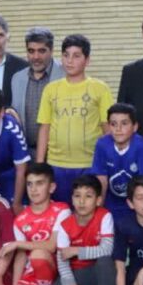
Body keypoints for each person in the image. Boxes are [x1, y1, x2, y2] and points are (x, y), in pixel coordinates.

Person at [35, 34, 114, 203]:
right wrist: (40, 165)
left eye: (76, 56)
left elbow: (107, 128)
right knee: (61, 212)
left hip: (89, 164)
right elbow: (45, 127)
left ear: (87, 60)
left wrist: (109, 162)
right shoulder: (51, 89)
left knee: (88, 210)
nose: (70, 61)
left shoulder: (100, 89)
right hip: (56, 164)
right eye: (66, 55)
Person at [45, 174, 117, 285]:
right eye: (77, 196)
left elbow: (107, 249)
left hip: (99, 271)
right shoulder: (65, 225)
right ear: (72, 199)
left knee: (105, 261)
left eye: (88, 196)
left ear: (98, 200)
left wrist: (77, 251)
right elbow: (63, 263)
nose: (82, 201)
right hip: (77, 274)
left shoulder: (105, 216)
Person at [2, 162, 70, 285]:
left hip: (60, 270)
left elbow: (51, 246)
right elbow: (20, 258)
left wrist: (18, 244)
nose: (33, 189)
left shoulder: (62, 210)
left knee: (38, 255)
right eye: (30, 184)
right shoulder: (20, 220)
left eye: (39, 183)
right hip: (34, 272)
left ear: (51, 187)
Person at [90, 103, 143, 222]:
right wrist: (99, 212)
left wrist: (142, 213)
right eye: (113, 124)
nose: (118, 129)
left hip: (135, 206)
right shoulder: (102, 144)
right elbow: (102, 180)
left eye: (124, 123)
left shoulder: (142, 146)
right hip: (110, 205)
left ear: (135, 127)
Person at [9, 27, 64, 157]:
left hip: (57, 154)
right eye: (31, 51)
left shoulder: (65, 75)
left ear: (51, 50)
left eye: (41, 51)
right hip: (25, 154)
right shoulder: (17, 78)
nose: (36, 57)